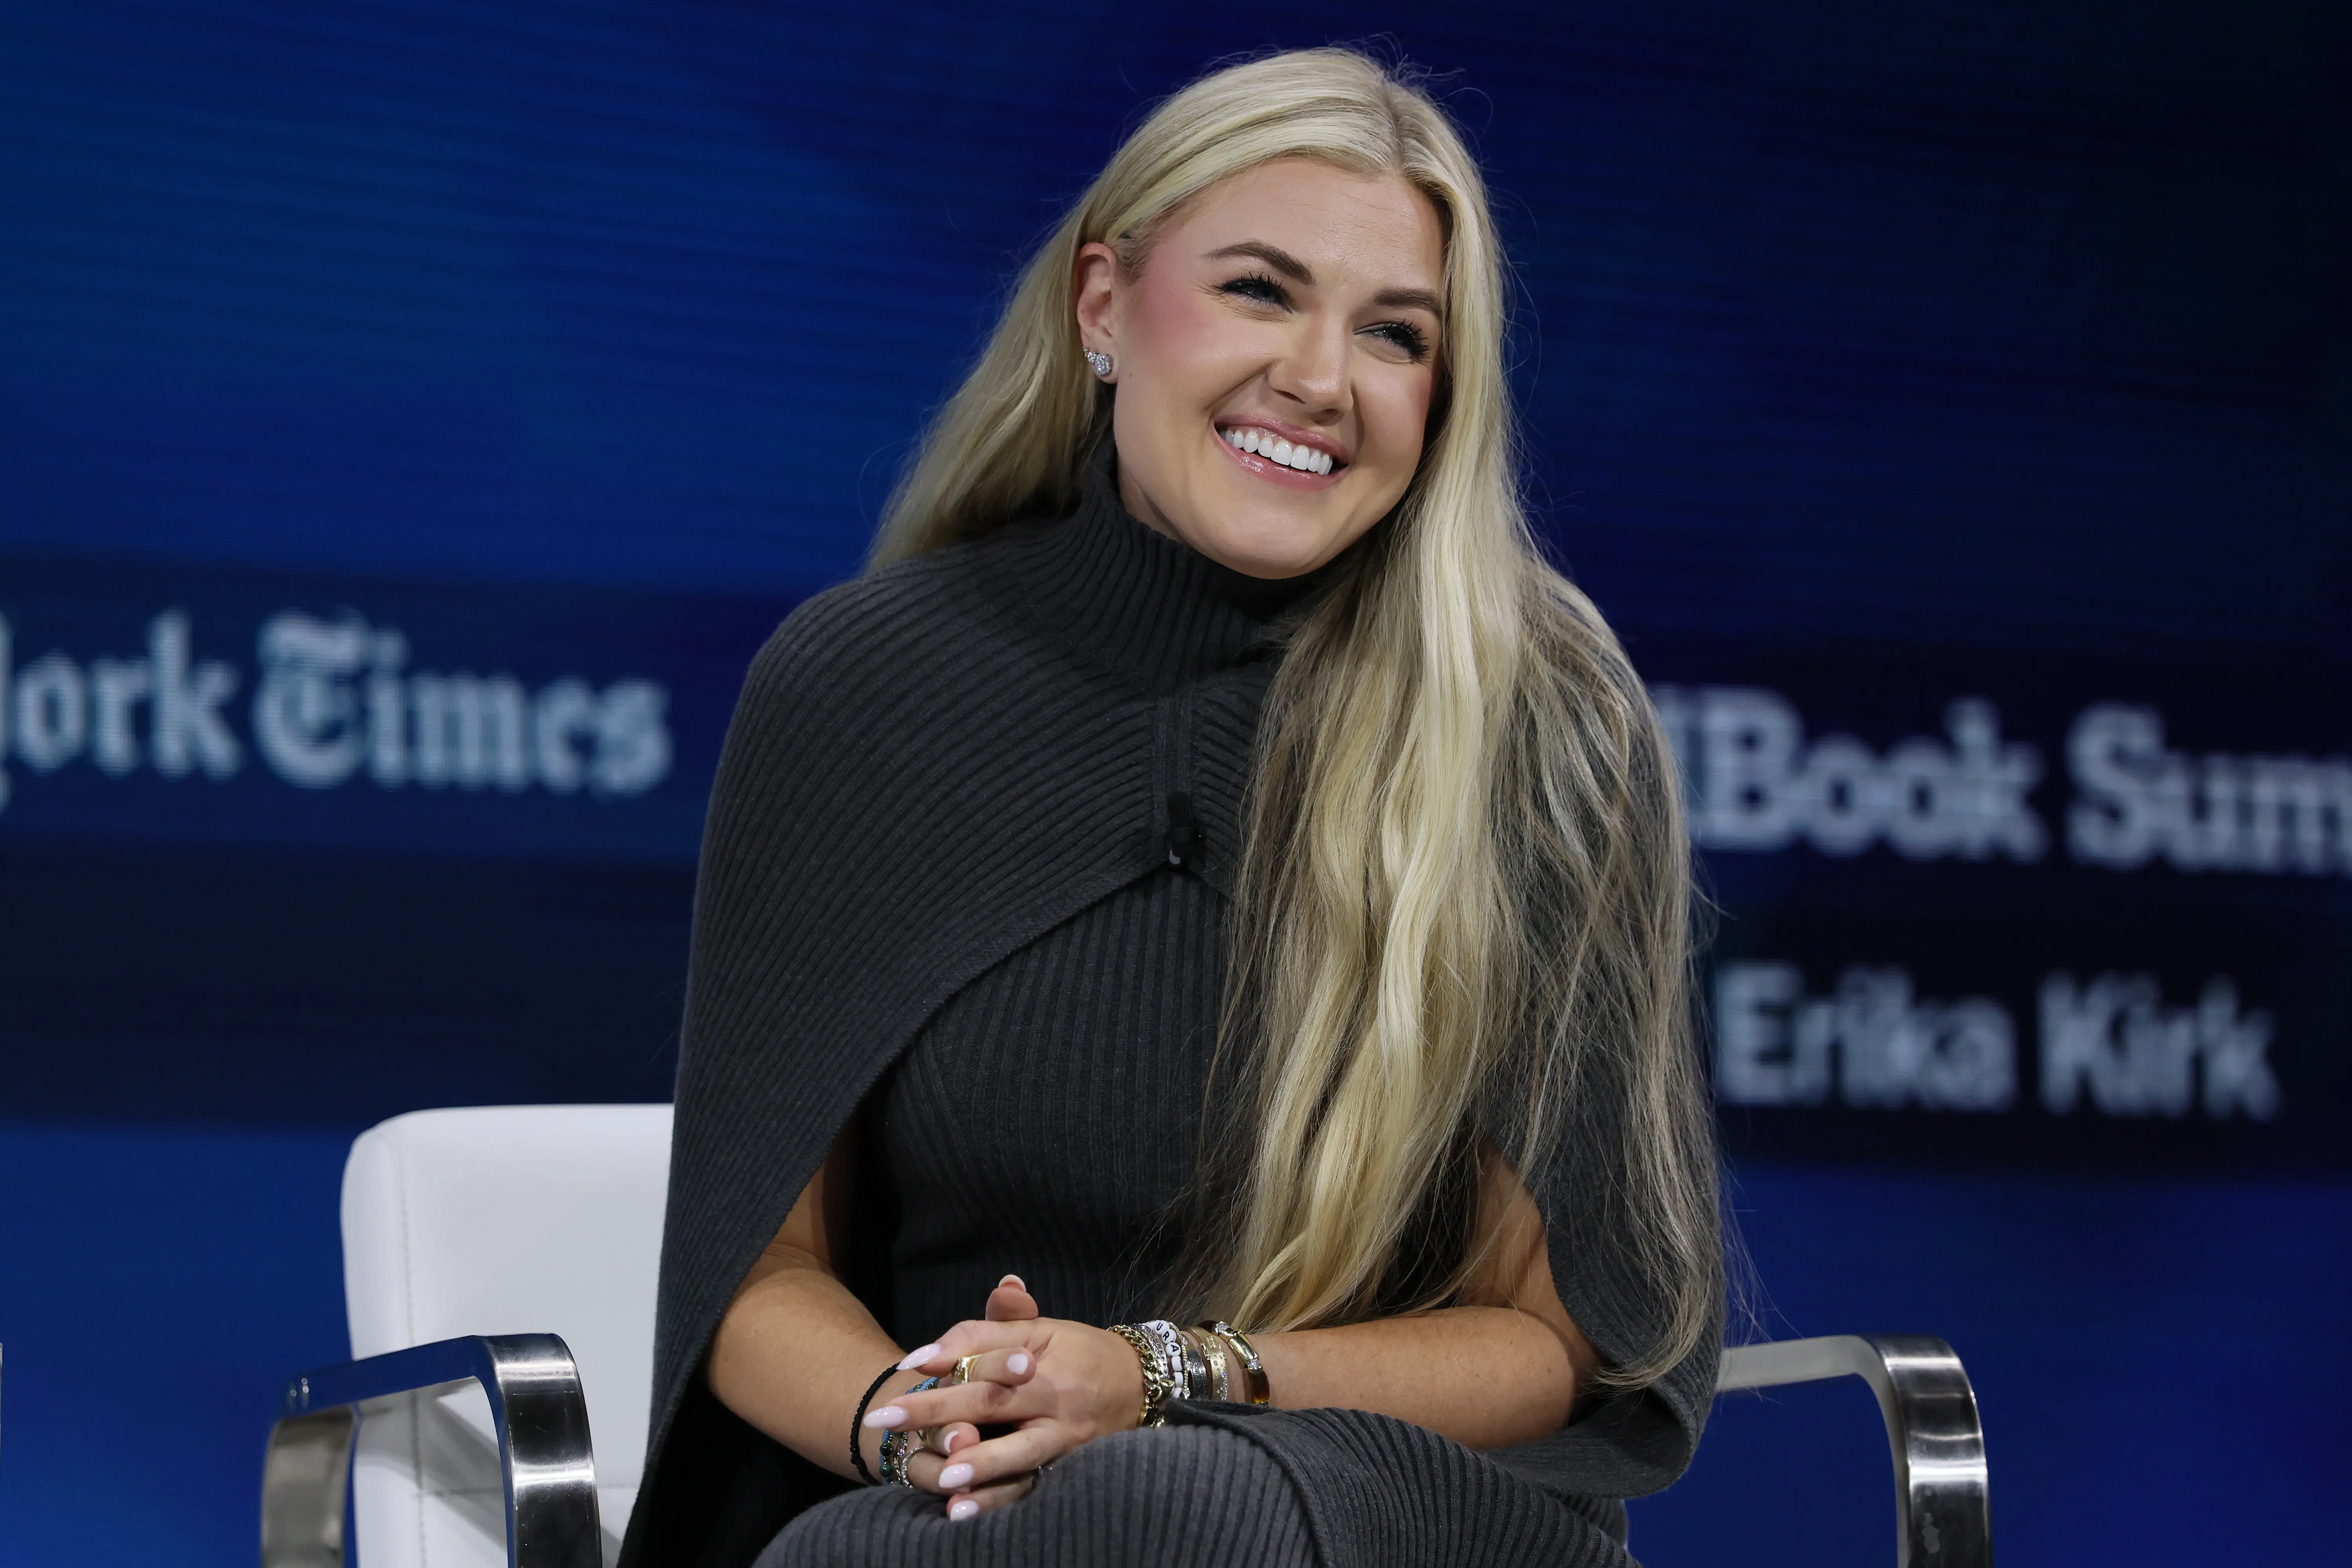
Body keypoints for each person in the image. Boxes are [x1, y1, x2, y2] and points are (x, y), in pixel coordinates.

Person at [617, 46, 1724, 1568]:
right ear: (1102, 308)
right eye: (1262, 291)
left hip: (1402, 1512)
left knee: (1166, 1501)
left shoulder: (1532, 718)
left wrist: (1161, 1377)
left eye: (1394, 333)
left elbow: (1559, 1338)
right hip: (956, 1509)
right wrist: (932, 1417)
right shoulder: (861, 686)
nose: (1322, 380)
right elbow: (757, 1274)